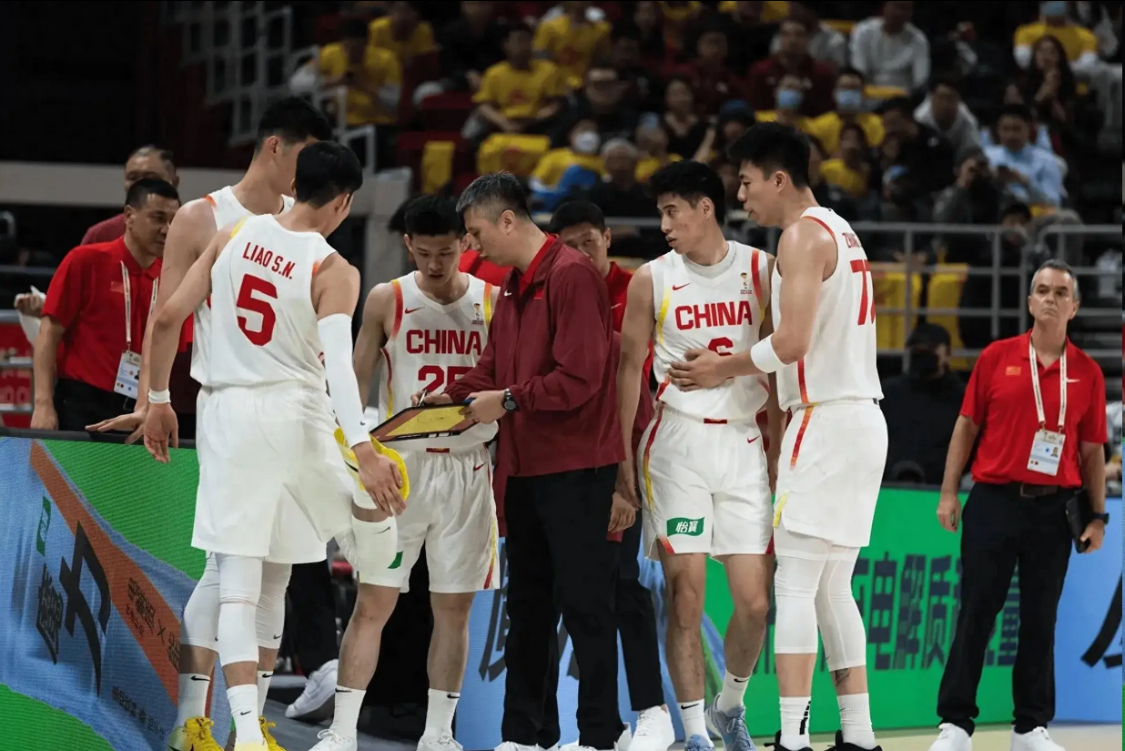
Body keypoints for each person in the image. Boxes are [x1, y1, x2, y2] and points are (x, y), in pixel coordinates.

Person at [92, 96, 337, 751]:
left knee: (269, 572)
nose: (310, 170)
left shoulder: (305, 219)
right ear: (276, 146)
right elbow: (165, 312)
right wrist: (154, 397)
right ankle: (200, 723)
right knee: (232, 571)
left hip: (291, 412)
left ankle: (226, 727)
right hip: (230, 406)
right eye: (306, 155)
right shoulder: (204, 217)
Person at [141, 142, 403, 751]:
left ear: (294, 185)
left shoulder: (233, 233)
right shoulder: (333, 268)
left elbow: (167, 317)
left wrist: (157, 398)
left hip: (227, 413)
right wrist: (363, 448)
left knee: (236, 577)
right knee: (302, 564)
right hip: (296, 417)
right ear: (343, 202)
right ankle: (250, 734)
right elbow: (340, 369)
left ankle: (222, 729)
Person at [671, 123, 888, 751]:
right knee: (834, 587)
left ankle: (792, 738)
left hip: (824, 418)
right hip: (863, 418)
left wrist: (721, 366)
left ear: (780, 179)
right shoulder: (841, 229)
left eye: (746, 183)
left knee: (794, 584)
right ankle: (860, 735)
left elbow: (791, 343)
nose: (741, 196)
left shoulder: (799, 236)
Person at [424, 172, 623, 751]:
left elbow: (581, 377)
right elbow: (494, 368)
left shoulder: (572, 276)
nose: (470, 245)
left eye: (475, 232)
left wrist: (507, 401)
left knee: (585, 607)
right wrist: (452, 396)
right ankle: (523, 735)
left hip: (578, 468)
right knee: (528, 607)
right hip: (524, 468)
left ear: (507, 220)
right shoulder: (512, 285)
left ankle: (599, 737)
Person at [313, 196, 501, 751]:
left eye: (446, 252)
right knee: (374, 603)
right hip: (402, 468)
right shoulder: (386, 298)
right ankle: (341, 731)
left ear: (465, 243)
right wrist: (356, 457)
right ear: (407, 246)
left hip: (468, 467)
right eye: (424, 254)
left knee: (454, 610)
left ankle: (438, 734)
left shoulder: (493, 301)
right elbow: (353, 383)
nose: (435, 265)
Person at [616, 160, 779, 751]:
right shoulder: (650, 279)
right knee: (685, 594)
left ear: (705, 208)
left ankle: (727, 708)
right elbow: (628, 371)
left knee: (755, 604)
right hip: (676, 443)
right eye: (661, 213)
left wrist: (778, 450)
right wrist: (622, 461)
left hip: (743, 441)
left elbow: (780, 367)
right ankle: (693, 735)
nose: (664, 225)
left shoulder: (762, 270)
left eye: (672, 211)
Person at [929, 260, 1108, 751]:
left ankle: (1029, 727)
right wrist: (948, 492)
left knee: (1040, 619)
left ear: (1075, 307)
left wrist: (1097, 516)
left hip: (1054, 510)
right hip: (994, 501)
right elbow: (966, 425)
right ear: (1029, 302)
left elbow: (1093, 451)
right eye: (1042, 291)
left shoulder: (1088, 373)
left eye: (1060, 293)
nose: (1050, 299)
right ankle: (955, 724)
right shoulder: (996, 357)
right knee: (976, 612)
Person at [549, 201, 675, 751]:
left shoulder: (639, 288)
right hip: (569, 458)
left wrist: (627, 480)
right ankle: (596, 729)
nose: (582, 254)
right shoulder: (553, 293)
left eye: (589, 242)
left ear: (607, 238)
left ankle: (651, 711)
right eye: (569, 245)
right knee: (576, 593)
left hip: (627, 449)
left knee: (625, 584)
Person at [32, 179, 181, 431]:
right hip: (81, 403)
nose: (166, 230)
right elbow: (49, 332)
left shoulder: (171, 278)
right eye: (158, 218)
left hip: (140, 406)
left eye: (173, 221)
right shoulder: (85, 260)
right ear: (129, 216)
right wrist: (43, 403)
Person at [880, 323, 965, 485]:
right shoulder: (889, 393)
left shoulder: (962, 399)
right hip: (890, 485)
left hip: (940, 487)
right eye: (917, 349)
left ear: (948, 353)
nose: (923, 354)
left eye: (930, 348)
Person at [81, 145, 180, 244]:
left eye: (150, 178)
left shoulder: (188, 232)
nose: (140, 185)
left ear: (174, 182)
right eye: (133, 178)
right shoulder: (101, 235)